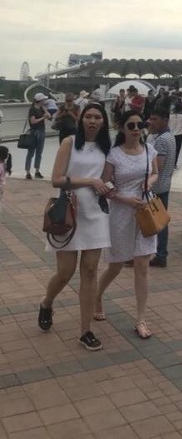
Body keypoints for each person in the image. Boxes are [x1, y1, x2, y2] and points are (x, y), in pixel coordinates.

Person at [37, 103, 112, 351]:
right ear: (81, 120)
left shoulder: (106, 146)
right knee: (65, 272)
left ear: (104, 121)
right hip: (68, 212)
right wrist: (90, 181)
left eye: (97, 117)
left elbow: (109, 178)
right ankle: (47, 302)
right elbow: (56, 179)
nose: (92, 121)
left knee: (90, 271)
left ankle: (85, 331)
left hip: (96, 214)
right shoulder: (69, 142)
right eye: (88, 116)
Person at [95, 111, 159, 339]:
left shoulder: (149, 150)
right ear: (121, 128)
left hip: (145, 211)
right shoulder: (114, 155)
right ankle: (97, 296)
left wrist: (148, 182)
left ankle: (140, 318)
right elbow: (105, 185)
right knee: (116, 265)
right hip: (121, 212)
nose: (136, 129)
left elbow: (155, 173)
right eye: (131, 125)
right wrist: (125, 198)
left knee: (142, 265)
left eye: (139, 124)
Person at [146, 108, 177, 268]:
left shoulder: (161, 140)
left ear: (165, 120)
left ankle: (160, 254)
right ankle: (160, 253)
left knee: (158, 221)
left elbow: (158, 166)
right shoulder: (169, 137)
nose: (151, 122)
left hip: (157, 187)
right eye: (150, 119)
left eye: (154, 119)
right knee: (160, 220)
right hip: (164, 184)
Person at [25, 93, 52, 179]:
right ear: (40, 100)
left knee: (39, 152)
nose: (44, 101)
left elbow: (49, 116)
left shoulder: (41, 108)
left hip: (41, 131)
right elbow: (33, 121)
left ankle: (37, 170)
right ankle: (28, 171)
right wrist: (43, 118)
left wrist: (45, 110)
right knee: (31, 152)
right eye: (43, 100)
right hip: (34, 132)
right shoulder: (32, 109)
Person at [169, 101, 182, 166]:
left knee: (171, 149)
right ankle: (175, 163)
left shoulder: (170, 116)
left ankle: (170, 162)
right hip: (179, 135)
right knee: (177, 149)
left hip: (171, 134)